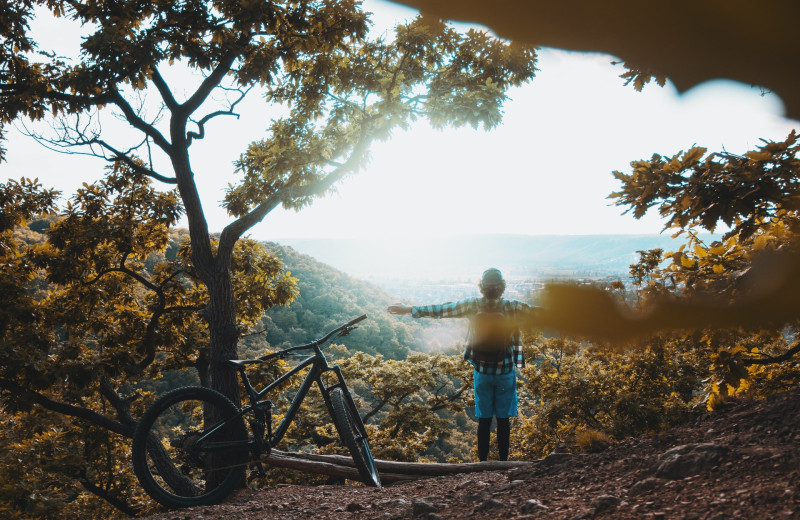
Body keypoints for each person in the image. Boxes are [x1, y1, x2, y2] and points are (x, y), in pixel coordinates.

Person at [387, 268, 534, 462]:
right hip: (505, 370)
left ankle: (482, 463)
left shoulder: (472, 305)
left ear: (482, 287)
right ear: (502, 287)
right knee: (504, 420)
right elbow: (541, 314)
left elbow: (441, 310)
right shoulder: (512, 307)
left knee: (484, 419)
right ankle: (503, 463)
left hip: (481, 369)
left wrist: (408, 309)